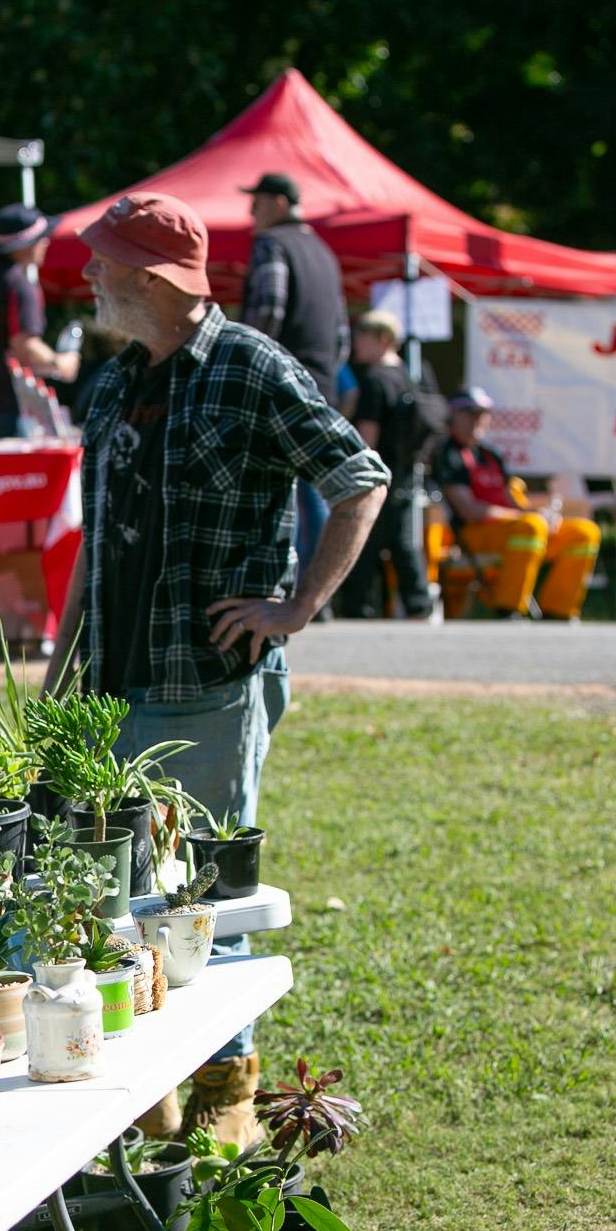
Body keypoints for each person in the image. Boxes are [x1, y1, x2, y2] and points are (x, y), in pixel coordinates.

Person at [45, 192, 389, 1143]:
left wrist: (296, 607)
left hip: (205, 680)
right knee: (113, 899)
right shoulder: (115, 380)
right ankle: (145, 1116)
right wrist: (59, 669)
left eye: (104, 263)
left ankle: (225, 1110)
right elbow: (99, 544)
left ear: (153, 278)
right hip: (107, 686)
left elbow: (358, 479)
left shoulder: (249, 367)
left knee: (204, 902)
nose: (90, 278)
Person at [239, 172, 352, 601]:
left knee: (285, 490)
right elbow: (341, 333)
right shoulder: (324, 252)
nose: (251, 212)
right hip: (321, 381)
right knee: (317, 487)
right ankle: (321, 591)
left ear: (280, 203)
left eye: (258, 202)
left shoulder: (273, 245)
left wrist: (244, 360)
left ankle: (306, 592)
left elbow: (269, 308)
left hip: (278, 381)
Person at [429, 387, 600, 619]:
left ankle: (558, 612)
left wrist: (542, 512)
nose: (478, 420)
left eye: (483, 413)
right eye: (470, 413)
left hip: (511, 528)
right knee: (530, 526)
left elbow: (513, 502)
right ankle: (509, 608)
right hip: (474, 534)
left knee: (584, 531)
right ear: (453, 416)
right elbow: (469, 510)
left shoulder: (489, 455)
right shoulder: (447, 454)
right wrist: (525, 518)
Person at [334, 310, 433, 619]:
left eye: (363, 337)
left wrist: (354, 470)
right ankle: (418, 604)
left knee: (363, 540)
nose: (356, 345)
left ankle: (358, 606)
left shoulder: (375, 380)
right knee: (402, 542)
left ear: (384, 339)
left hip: (377, 473)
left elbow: (368, 433)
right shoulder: (411, 375)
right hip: (404, 471)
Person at [0, 203, 80, 438]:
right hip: (3, 405)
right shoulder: (18, 284)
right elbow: (25, 345)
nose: (46, 243)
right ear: (25, 245)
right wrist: (60, 363)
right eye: (41, 238)